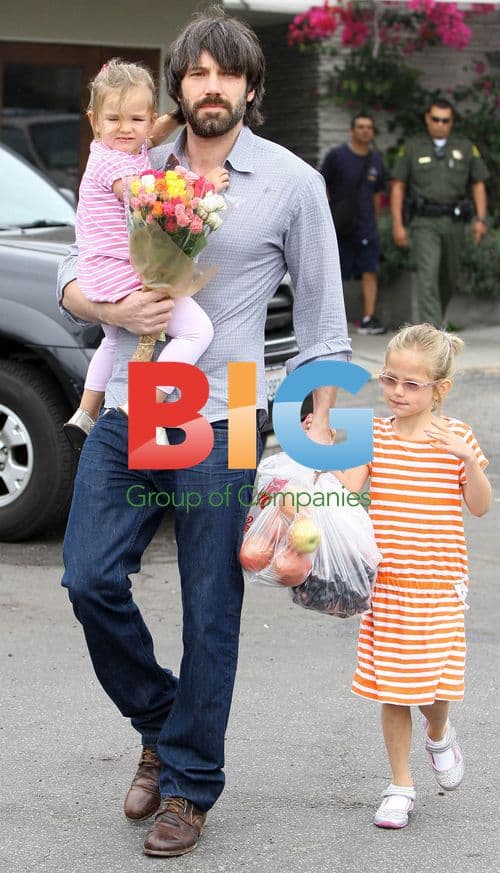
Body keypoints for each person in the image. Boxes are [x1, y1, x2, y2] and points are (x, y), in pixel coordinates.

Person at [56, 7, 351, 858]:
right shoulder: (132, 161)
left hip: (229, 410)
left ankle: (188, 785)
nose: (211, 86)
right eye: (196, 73)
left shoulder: (292, 181)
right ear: (178, 86)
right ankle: (162, 719)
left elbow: (324, 318)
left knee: (211, 606)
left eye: (228, 73)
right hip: (135, 402)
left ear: (251, 88)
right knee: (88, 577)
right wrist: (109, 307)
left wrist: (320, 425)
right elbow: (76, 270)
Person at [337, 323, 491, 829]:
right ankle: (400, 785)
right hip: (389, 587)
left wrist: (469, 461)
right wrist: (325, 453)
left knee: (437, 686)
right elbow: (344, 492)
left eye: (411, 384)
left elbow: (479, 506)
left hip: (440, 585)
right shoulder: (372, 435)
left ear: (440, 388)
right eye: (389, 379)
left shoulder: (456, 437)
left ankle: (439, 734)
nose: (397, 392)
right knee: (394, 689)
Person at [64, 58, 229, 451]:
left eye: (137, 120)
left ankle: (84, 412)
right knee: (197, 331)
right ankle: (145, 406)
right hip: (121, 274)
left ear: (150, 119)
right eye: (114, 119)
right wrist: (202, 185)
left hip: (99, 271)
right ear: (94, 121)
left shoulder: (119, 147)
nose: (126, 129)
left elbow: (149, 137)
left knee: (110, 341)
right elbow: (148, 199)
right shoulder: (112, 163)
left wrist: (177, 116)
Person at [390, 98, 489, 328]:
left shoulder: (465, 147)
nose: (440, 124)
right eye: (436, 119)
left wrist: (481, 219)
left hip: (454, 222)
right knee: (428, 275)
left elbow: (478, 184)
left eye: (445, 120)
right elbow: (398, 186)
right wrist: (397, 224)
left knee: (449, 277)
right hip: (424, 222)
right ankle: (432, 331)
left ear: (452, 122)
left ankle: (435, 323)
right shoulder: (413, 147)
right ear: (427, 118)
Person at [320, 113, 386, 335]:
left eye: (369, 127)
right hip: (340, 226)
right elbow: (322, 184)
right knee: (334, 273)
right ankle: (331, 322)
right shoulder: (337, 156)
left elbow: (378, 194)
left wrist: (375, 220)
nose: (365, 131)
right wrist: (328, 215)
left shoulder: (376, 160)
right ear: (352, 130)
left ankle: (368, 318)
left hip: (366, 227)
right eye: (360, 127)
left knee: (369, 271)